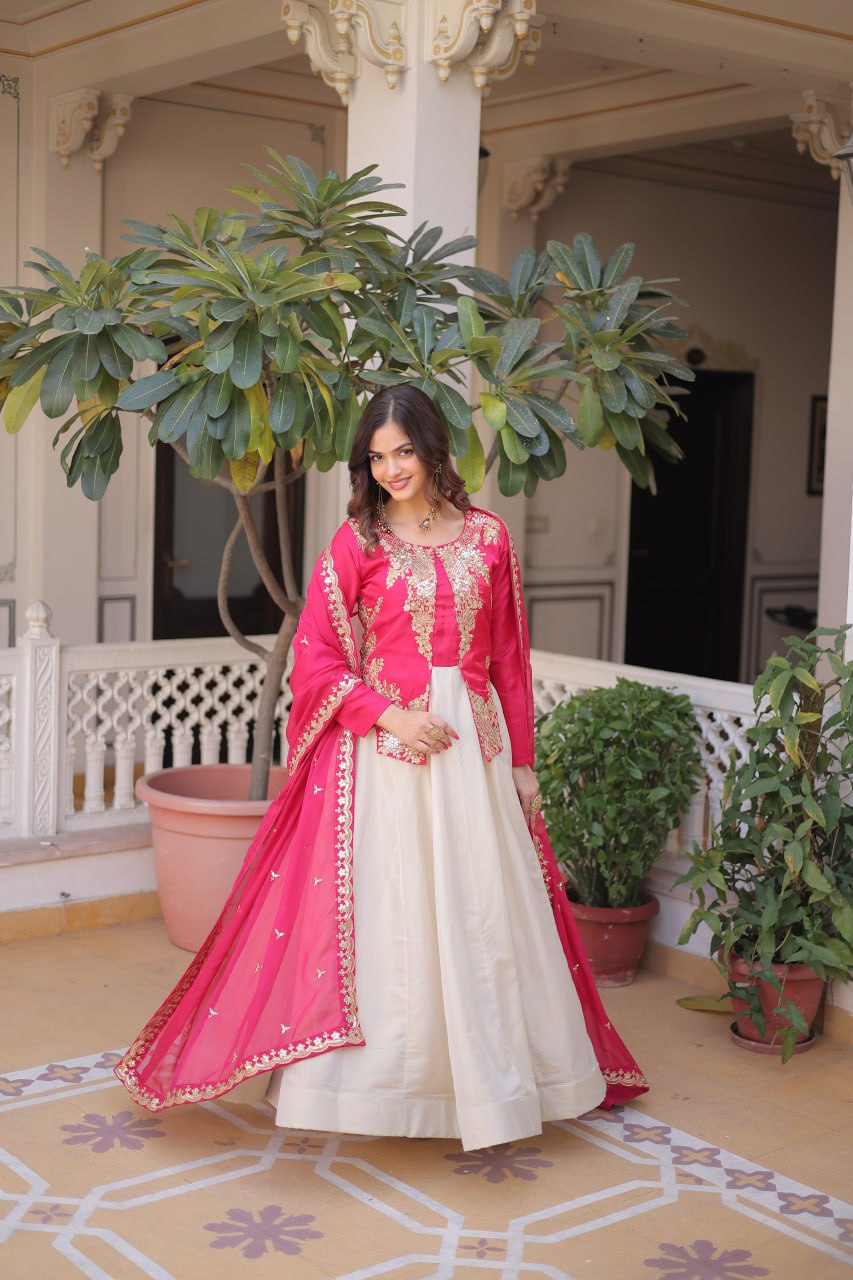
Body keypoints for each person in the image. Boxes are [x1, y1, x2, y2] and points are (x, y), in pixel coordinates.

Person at [116, 385, 647, 1150]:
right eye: (377, 455)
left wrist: (523, 767)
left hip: (474, 748)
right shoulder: (356, 542)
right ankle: (379, 1094)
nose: (392, 468)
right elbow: (317, 659)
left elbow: (509, 662)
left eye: (403, 451)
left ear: (434, 449)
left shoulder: (490, 539)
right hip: (385, 752)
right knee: (393, 909)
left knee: (480, 906)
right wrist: (387, 713)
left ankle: (498, 1086)